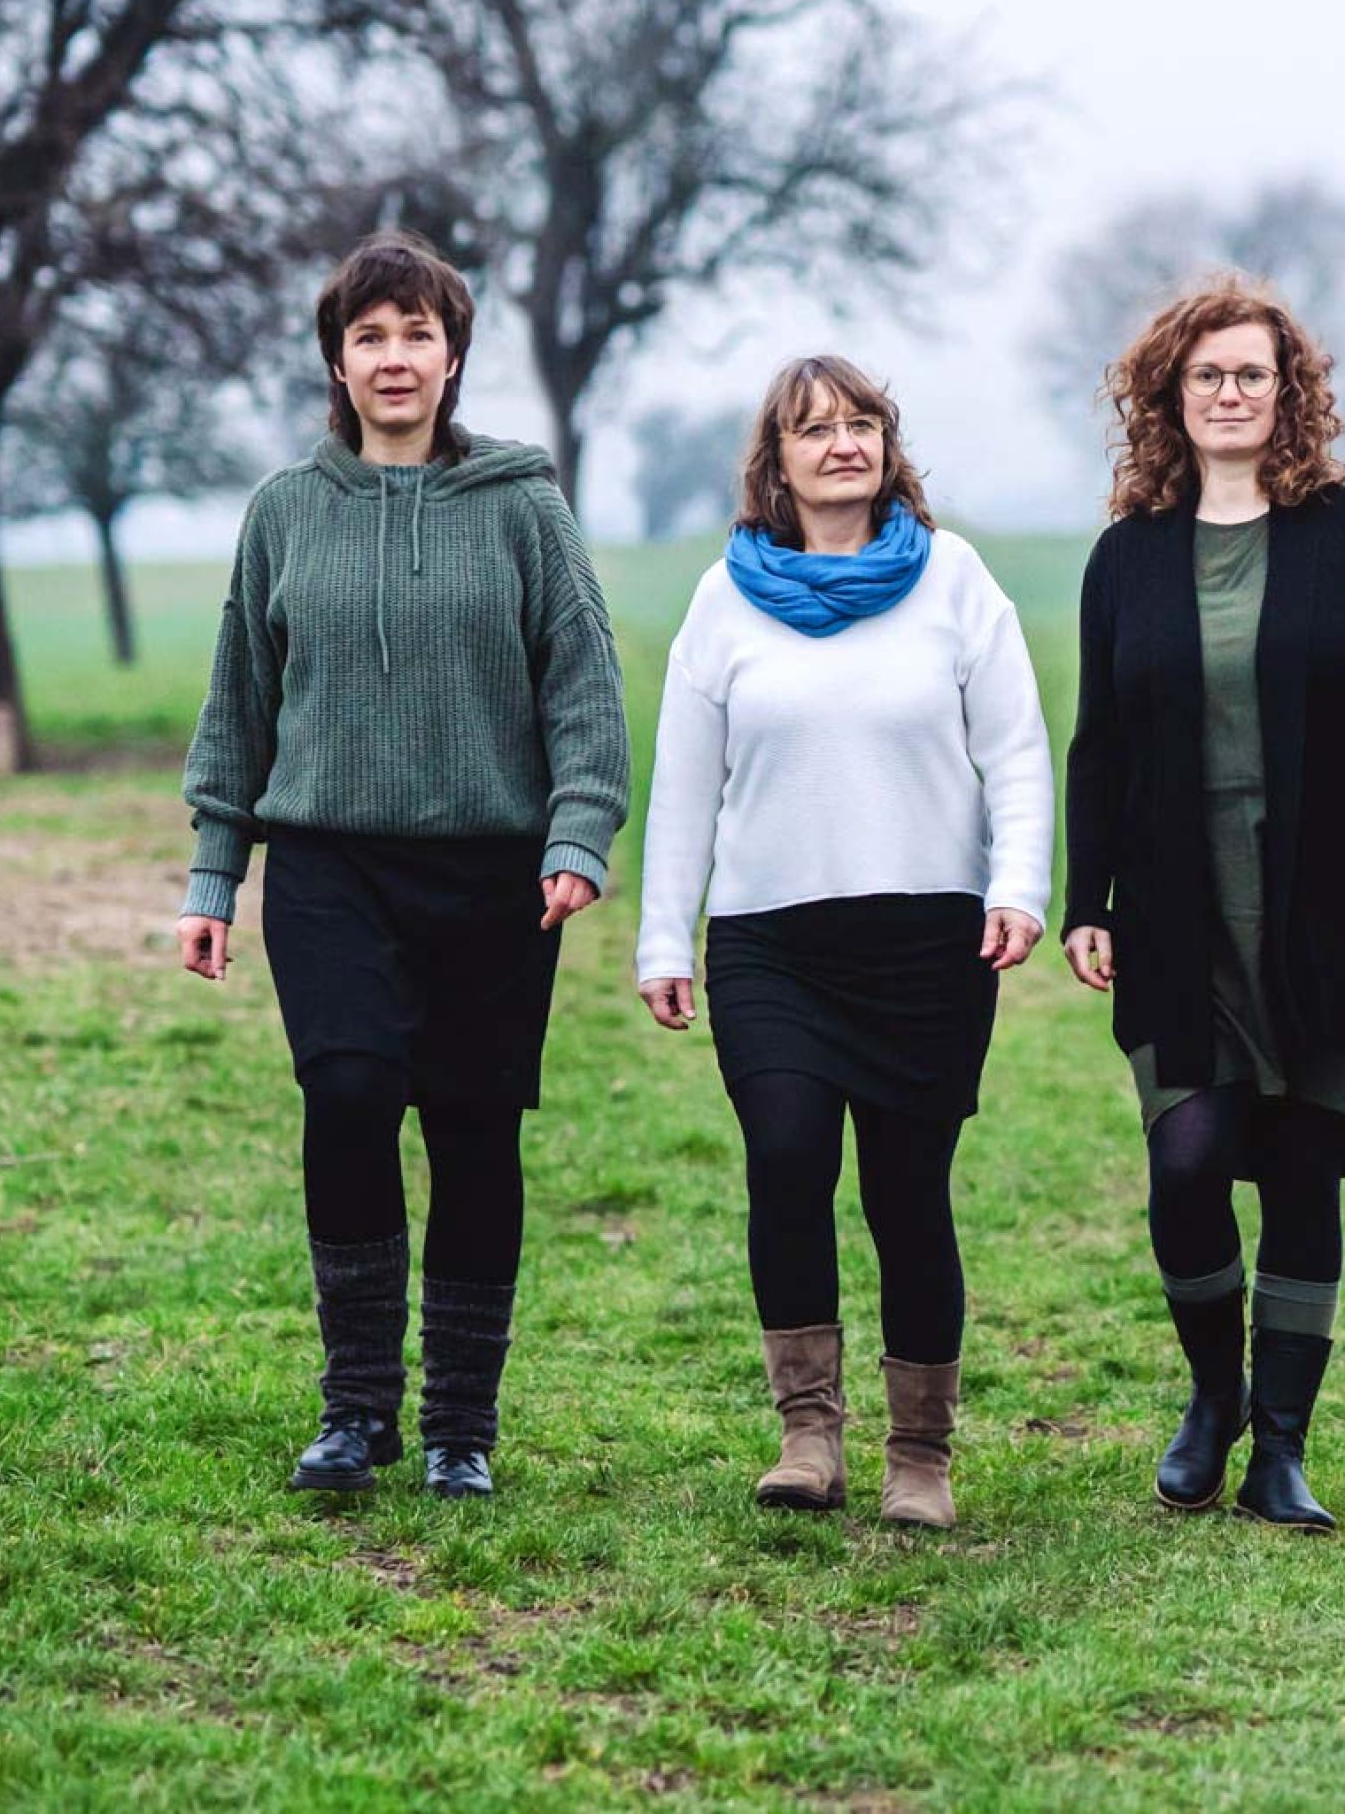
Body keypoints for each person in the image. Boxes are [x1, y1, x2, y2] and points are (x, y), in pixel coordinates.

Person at [174, 229, 629, 1501]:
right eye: (368, 335)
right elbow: (239, 699)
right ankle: (356, 1408)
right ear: (337, 359)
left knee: (475, 1129)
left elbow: (584, 684)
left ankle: (458, 1427)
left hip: (492, 872)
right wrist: (215, 873)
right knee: (350, 1091)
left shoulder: (525, 507)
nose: (393, 357)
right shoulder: (285, 511)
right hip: (328, 864)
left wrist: (578, 833)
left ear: (452, 356)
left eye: (416, 334)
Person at [633, 356, 1051, 1531]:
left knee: (908, 1192)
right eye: (814, 428)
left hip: (927, 938)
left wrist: (1018, 884)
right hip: (771, 942)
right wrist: (665, 936)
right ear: (776, 459)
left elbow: (1016, 751)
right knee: (786, 1157)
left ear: (887, 445)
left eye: (861, 422)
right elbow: (685, 784)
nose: (842, 442)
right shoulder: (725, 598)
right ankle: (808, 1434)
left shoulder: (954, 580)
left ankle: (920, 1452)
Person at [1061, 271, 1345, 1534]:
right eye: (1207, 375)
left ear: (1290, 395)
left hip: (1329, 901)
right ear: (1169, 396)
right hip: (1176, 908)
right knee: (1186, 1159)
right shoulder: (1127, 556)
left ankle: (1281, 1446)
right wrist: (1085, 898)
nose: (1229, 393)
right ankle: (1213, 1396)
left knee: (1300, 1170)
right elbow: (1099, 743)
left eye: (1251, 375)